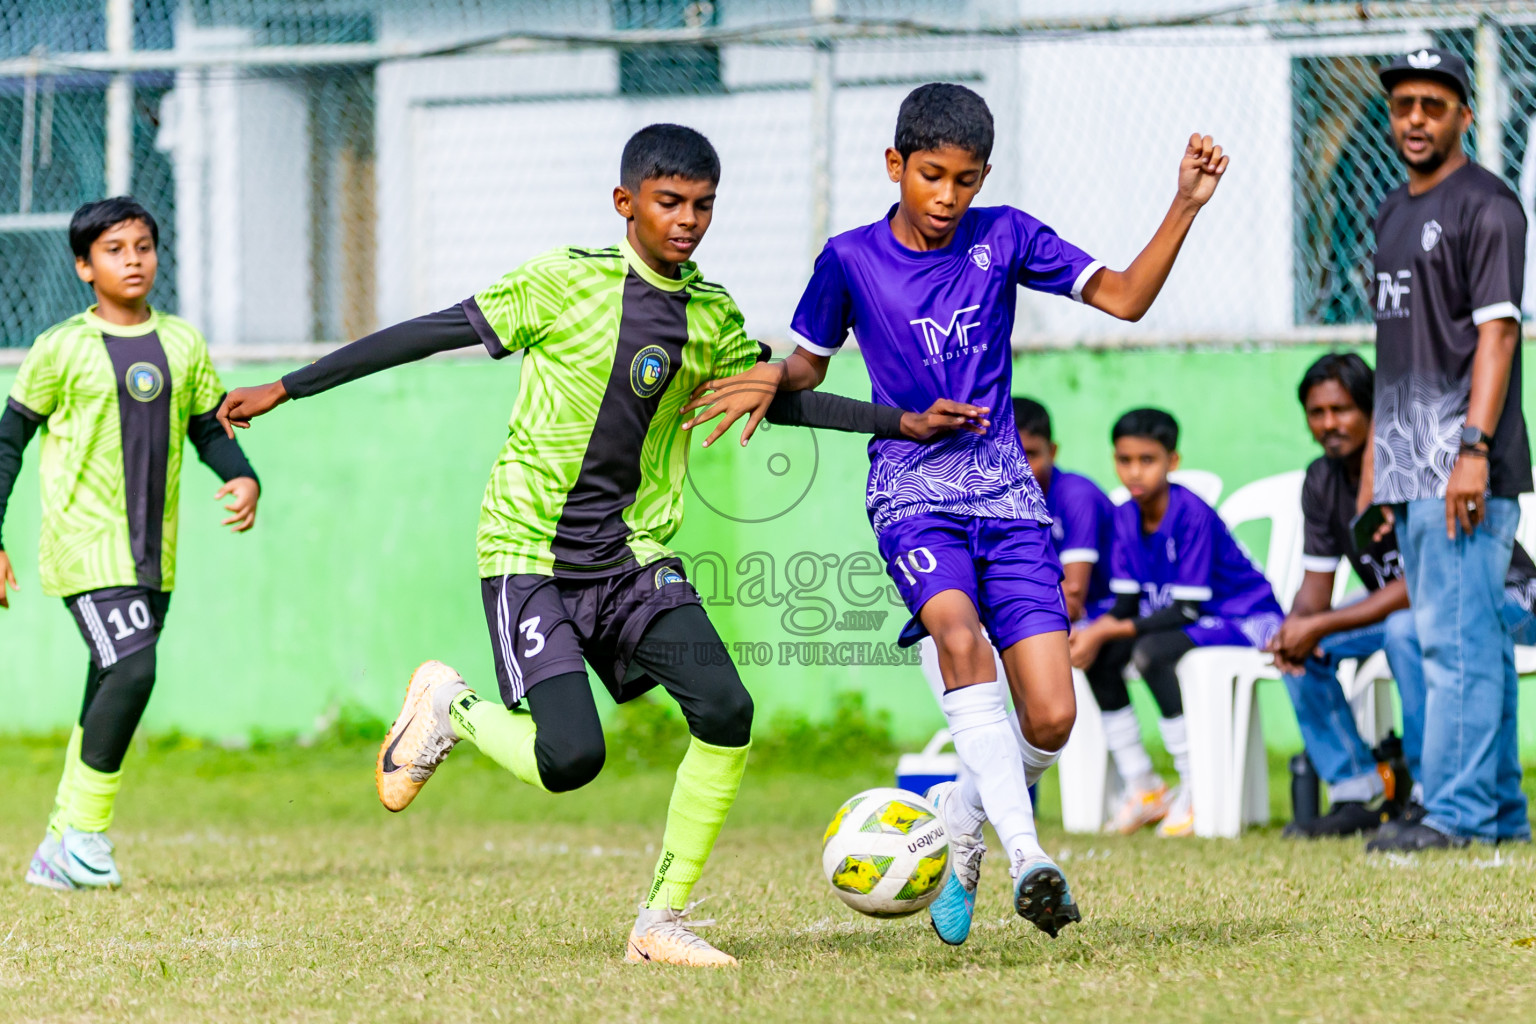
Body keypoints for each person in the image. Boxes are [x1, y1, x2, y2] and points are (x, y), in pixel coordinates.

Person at [215, 124, 980, 967]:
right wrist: (286, 387)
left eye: (703, 206)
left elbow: (773, 397)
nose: (687, 219)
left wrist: (898, 421)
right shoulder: (563, 282)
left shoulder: (711, 316)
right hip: (529, 554)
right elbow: (429, 332)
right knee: (570, 760)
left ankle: (661, 923)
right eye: (669, 202)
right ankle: (450, 707)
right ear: (626, 203)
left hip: (633, 559)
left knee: (726, 713)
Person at [686, 83, 1229, 944]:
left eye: (966, 180)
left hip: (1007, 495)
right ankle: (1029, 855)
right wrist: (769, 374)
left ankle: (958, 820)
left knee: (1051, 716)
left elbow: (1124, 297)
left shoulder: (1004, 235)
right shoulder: (850, 257)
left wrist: (1184, 205)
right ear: (896, 165)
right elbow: (810, 366)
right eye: (932, 176)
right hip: (908, 489)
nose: (948, 198)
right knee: (956, 632)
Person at [0, 197, 261, 891]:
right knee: (135, 671)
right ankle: (85, 836)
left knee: (109, 680)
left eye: (143, 246)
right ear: (85, 266)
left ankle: (59, 843)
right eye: (115, 249)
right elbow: (7, 443)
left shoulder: (181, 342)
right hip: (85, 547)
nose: (134, 259)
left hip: (155, 553)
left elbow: (207, 425)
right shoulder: (61, 348)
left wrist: (241, 476)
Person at [1363, 49, 1532, 849]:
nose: (1416, 119)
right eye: (1404, 104)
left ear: (1465, 113)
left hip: (1467, 463)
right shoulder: (1391, 211)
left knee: (1455, 643)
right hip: (1409, 467)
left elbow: (1500, 332)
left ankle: (1458, 816)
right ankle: (1497, 812)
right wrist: (1377, 478)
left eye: (1433, 103)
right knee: (1470, 639)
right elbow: (1395, 353)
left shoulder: (1488, 206)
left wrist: (1473, 448)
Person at [1271, 352, 1536, 840]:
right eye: (1317, 413)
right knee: (1299, 646)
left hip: (1507, 597)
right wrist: (1295, 630)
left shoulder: (1410, 460)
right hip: (1419, 607)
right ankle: (1358, 791)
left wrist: (1319, 624)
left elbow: (1427, 585)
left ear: (1373, 410)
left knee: (1403, 627)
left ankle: (1425, 792)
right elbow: (1315, 588)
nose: (1329, 424)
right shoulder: (1322, 480)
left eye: (1342, 410)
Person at [1070, 408, 1284, 838]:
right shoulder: (1125, 515)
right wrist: (1095, 633)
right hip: (1191, 621)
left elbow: (1185, 610)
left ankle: (1196, 789)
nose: (1134, 472)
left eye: (1146, 460)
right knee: (1102, 655)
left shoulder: (1192, 514)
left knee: (1151, 653)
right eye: (1124, 460)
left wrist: (1104, 628)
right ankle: (1144, 786)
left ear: (1173, 461)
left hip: (1246, 618)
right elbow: (1129, 601)